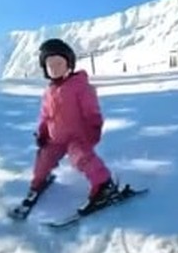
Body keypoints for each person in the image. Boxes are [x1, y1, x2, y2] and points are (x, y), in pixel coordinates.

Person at [25, 38, 118, 213]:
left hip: (78, 136)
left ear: (69, 64)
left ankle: (104, 184)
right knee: (44, 157)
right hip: (55, 138)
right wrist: (43, 133)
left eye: (59, 63)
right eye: (49, 65)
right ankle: (39, 181)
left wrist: (93, 129)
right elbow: (45, 116)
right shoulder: (48, 92)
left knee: (81, 157)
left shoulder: (80, 86)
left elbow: (92, 111)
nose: (54, 68)